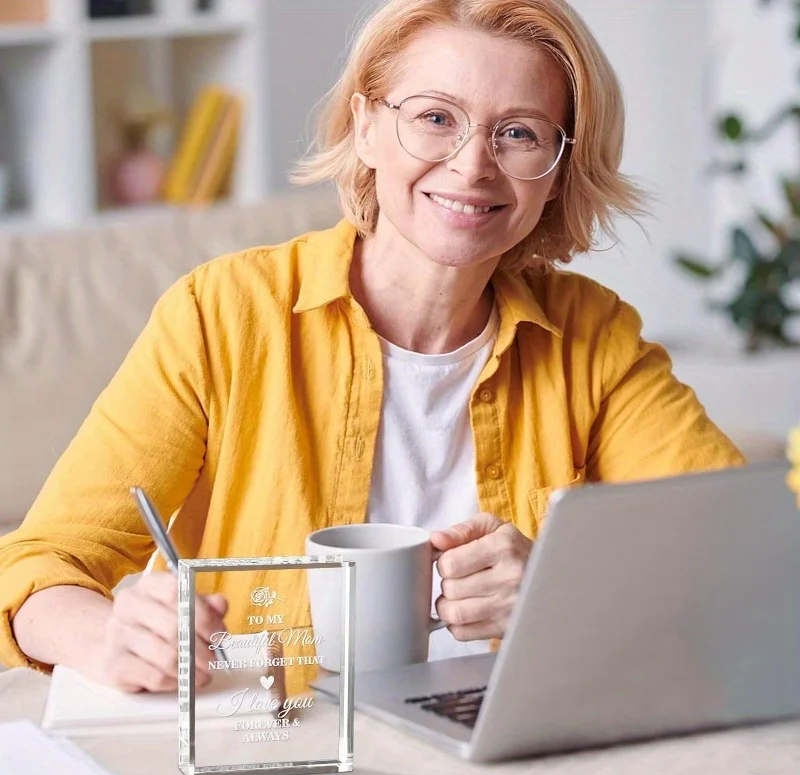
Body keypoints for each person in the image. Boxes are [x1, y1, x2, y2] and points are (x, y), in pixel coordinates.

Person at [0, 0, 744, 695]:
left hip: (508, 748)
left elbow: (737, 549)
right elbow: (39, 568)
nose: (472, 165)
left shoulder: (594, 337)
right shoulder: (222, 315)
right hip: (283, 743)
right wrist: (112, 638)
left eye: (518, 132)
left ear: (557, 169)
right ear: (366, 126)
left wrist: (566, 588)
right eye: (434, 117)